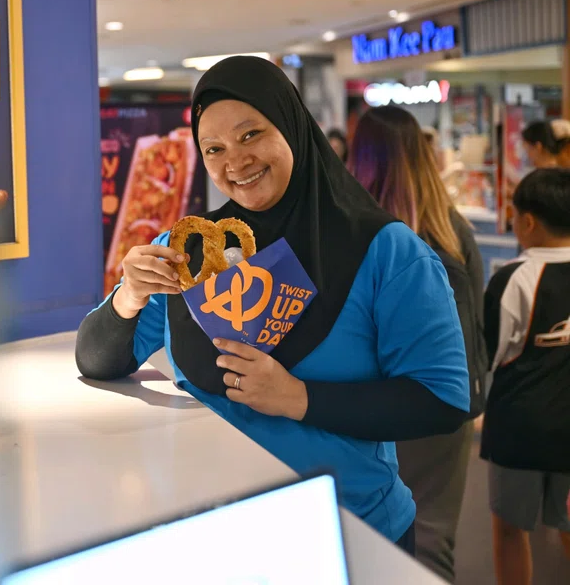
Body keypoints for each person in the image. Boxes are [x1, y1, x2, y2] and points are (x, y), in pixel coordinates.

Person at [75, 56, 470, 554]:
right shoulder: (193, 252)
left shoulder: (387, 251)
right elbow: (96, 360)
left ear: (290, 126)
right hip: (215, 533)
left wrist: (298, 398)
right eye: (213, 148)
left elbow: (442, 400)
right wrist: (130, 295)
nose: (234, 162)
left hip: (349, 534)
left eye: (250, 135)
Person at [349, 106, 486, 582]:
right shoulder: (452, 229)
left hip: (373, 400)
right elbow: (476, 322)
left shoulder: (354, 230)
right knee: (432, 538)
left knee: (371, 537)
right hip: (447, 405)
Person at [482, 168, 570, 585]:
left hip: (520, 430)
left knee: (510, 530)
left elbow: (491, 353)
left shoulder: (513, 277)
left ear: (528, 221)